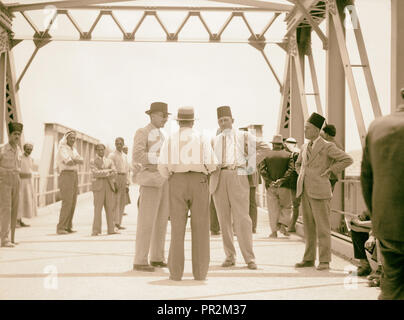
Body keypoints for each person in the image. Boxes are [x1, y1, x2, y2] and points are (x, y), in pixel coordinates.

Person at [158, 106, 216, 281]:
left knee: (177, 228)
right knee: (201, 228)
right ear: (192, 121)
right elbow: (212, 164)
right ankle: (200, 272)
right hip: (199, 181)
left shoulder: (170, 138)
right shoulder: (201, 137)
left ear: (178, 121)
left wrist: (172, 176)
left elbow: (162, 165)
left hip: (177, 181)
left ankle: (176, 273)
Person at [210, 106, 270, 270]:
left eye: (226, 120)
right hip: (219, 177)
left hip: (238, 175)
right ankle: (230, 256)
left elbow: (266, 147)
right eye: (220, 121)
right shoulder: (214, 139)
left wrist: (249, 165)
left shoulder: (244, 136)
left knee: (243, 219)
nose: (223, 123)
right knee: (223, 220)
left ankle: (249, 258)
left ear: (232, 120)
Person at [360, 88, 404, 300]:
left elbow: (367, 181)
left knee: (392, 286)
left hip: (388, 227)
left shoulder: (377, 126)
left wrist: (377, 220)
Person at [295, 112, 353, 271]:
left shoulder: (328, 146)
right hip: (305, 190)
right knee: (308, 227)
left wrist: (331, 170)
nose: (305, 131)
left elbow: (347, 159)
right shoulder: (304, 146)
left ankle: (325, 261)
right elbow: (298, 163)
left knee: (322, 227)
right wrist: (302, 173)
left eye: (307, 128)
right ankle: (308, 259)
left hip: (320, 190)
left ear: (315, 129)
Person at [132, 102, 170, 272]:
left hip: (164, 181)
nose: (165, 119)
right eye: (163, 116)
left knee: (161, 222)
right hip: (150, 181)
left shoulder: (162, 135)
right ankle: (140, 260)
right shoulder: (142, 132)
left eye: (166, 116)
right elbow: (138, 155)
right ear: (153, 115)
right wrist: (161, 157)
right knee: (146, 222)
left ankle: (157, 257)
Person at [260, 134, 294, 238]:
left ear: (273, 144)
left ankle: (274, 232)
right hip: (285, 186)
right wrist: (282, 180)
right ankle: (283, 224)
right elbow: (291, 169)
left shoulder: (266, 155)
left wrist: (270, 181)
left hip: (271, 187)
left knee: (272, 209)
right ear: (282, 144)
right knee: (287, 207)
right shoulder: (289, 155)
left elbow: (262, 169)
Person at [56, 130, 83, 235]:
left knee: (73, 202)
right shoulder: (62, 148)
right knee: (67, 202)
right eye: (70, 138)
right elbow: (69, 162)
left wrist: (74, 159)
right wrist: (74, 159)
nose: (72, 140)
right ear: (66, 138)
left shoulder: (73, 149)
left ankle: (68, 226)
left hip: (74, 175)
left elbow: (81, 160)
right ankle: (61, 227)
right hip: (66, 175)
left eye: (74, 138)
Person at [0, 122, 23, 247]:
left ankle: (12, 238)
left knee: (15, 209)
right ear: (10, 134)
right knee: (6, 209)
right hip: (5, 180)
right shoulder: (2, 149)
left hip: (16, 179)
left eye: (19, 134)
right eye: (15, 134)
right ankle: (4, 239)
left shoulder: (19, 150)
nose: (17, 136)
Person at [90, 144, 118, 236]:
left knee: (110, 208)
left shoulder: (109, 160)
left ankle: (111, 229)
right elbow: (95, 173)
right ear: (96, 151)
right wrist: (108, 171)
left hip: (109, 186)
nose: (101, 151)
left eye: (102, 150)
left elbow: (115, 172)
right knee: (97, 209)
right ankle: (96, 230)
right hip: (98, 188)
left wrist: (105, 173)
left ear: (104, 150)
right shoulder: (93, 161)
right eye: (99, 150)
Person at [239, 127, 259, 234]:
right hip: (248, 179)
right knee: (249, 203)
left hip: (248, 179)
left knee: (249, 203)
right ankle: (250, 227)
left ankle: (251, 227)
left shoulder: (249, 147)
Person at [108, 137, 129, 230]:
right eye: (117, 143)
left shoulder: (124, 155)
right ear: (115, 144)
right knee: (115, 201)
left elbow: (127, 169)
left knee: (122, 202)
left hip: (123, 177)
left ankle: (118, 222)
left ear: (123, 144)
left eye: (120, 143)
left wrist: (127, 183)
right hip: (116, 177)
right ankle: (113, 222)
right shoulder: (112, 155)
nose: (119, 145)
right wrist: (113, 181)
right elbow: (110, 169)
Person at [17, 143, 37, 228]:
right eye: (27, 149)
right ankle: (16, 220)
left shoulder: (31, 159)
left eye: (30, 149)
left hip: (28, 182)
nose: (29, 151)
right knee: (19, 201)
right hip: (21, 182)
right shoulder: (20, 157)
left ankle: (20, 220)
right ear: (24, 149)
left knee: (26, 200)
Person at [283, 137, 301, 233]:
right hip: (295, 182)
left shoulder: (295, 154)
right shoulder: (297, 153)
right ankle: (291, 224)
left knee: (295, 204)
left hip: (295, 183)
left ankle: (292, 225)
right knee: (295, 205)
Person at [320, 124, 343, 191]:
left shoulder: (328, 146)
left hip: (326, 175)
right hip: (333, 176)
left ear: (327, 134)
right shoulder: (339, 145)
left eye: (324, 133)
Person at [122, 145, 131, 216]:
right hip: (122, 179)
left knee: (124, 196)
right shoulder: (123, 158)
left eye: (127, 150)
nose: (126, 151)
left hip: (126, 179)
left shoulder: (126, 158)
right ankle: (120, 211)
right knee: (122, 196)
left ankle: (122, 210)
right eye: (125, 150)